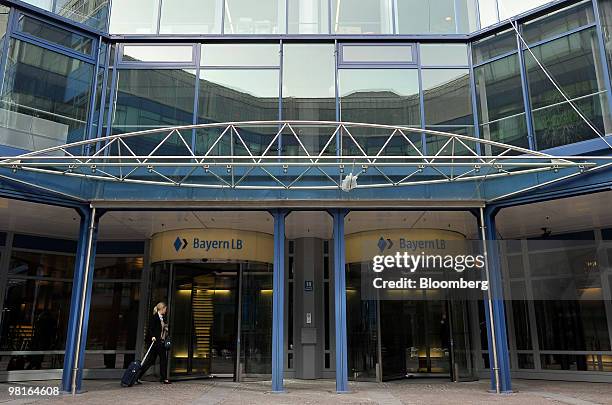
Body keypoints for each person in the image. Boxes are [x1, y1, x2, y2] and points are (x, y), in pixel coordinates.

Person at [137, 302, 170, 384]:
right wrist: (152, 336)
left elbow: (160, 329)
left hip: (159, 341)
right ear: (162, 309)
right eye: (165, 309)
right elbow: (150, 329)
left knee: (151, 360)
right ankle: (164, 378)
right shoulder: (154, 317)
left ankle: (137, 376)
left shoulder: (162, 318)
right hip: (156, 342)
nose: (166, 310)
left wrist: (165, 329)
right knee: (163, 359)